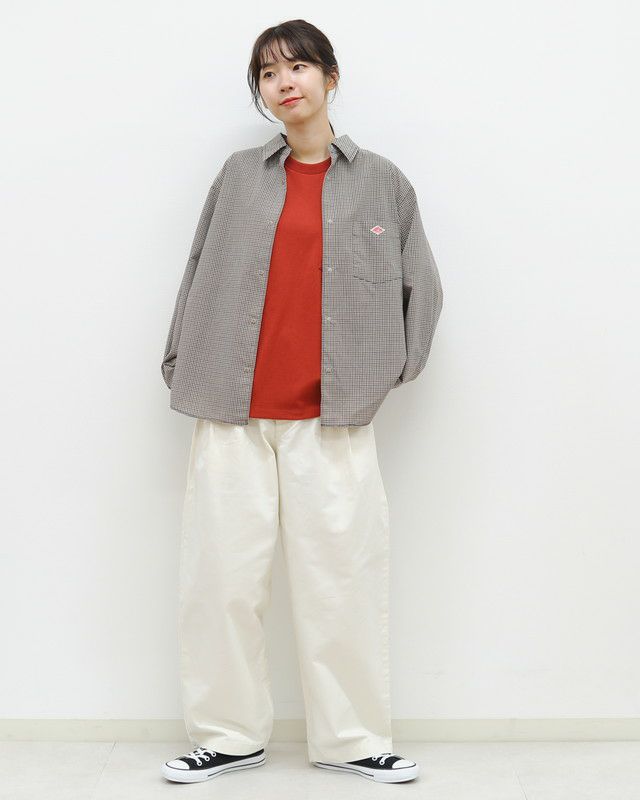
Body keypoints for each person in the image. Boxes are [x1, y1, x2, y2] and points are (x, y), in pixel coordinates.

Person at [160, 19, 443, 785]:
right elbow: (198, 269)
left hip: (333, 418)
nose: (284, 82)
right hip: (233, 411)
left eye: (298, 66)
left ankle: (353, 739)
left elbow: (422, 286)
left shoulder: (382, 182)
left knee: (341, 583)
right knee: (220, 582)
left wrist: (385, 374)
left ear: (329, 76)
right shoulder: (239, 177)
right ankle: (227, 735)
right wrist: (183, 361)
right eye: (267, 73)